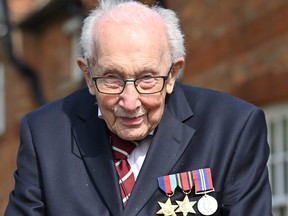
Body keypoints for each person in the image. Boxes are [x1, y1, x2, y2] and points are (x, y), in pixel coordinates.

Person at [5, 0, 272, 215]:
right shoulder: (45, 134)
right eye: (111, 78)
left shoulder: (232, 128)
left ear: (172, 74)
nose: (130, 102)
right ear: (88, 75)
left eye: (147, 78)